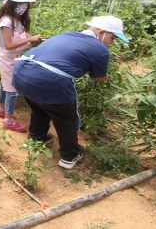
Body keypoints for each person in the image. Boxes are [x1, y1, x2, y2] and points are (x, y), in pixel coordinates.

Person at [12, 15, 130, 169]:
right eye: (112, 38)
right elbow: (99, 78)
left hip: (22, 73)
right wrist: (105, 75)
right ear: (101, 32)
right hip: (48, 81)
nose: (111, 43)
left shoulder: (67, 34)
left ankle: (36, 139)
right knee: (65, 118)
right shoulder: (100, 49)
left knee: (39, 106)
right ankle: (70, 155)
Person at [0, 0, 42, 132]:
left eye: (25, 3)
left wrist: (30, 39)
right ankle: (8, 120)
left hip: (13, 57)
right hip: (7, 58)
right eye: (20, 3)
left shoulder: (17, 19)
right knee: (12, 89)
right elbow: (8, 45)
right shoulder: (6, 22)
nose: (24, 6)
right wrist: (30, 39)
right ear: (11, 3)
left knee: (5, 83)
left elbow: (19, 38)